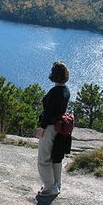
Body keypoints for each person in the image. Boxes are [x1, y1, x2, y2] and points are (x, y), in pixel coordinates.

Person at [35, 61, 70, 197]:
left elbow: (48, 112)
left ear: (54, 75)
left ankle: (50, 187)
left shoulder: (54, 92)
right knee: (56, 157)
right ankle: (57, 184)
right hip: (59, 128)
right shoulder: (66, 90)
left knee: (43, 159)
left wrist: (41, 128)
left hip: (49, 128)